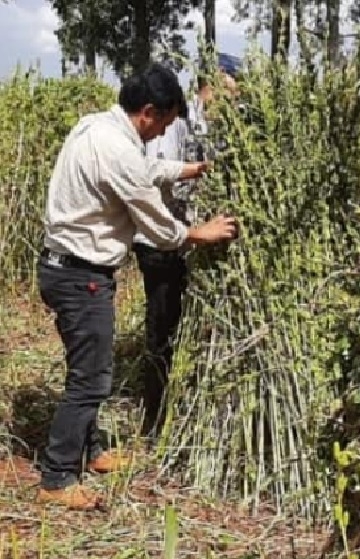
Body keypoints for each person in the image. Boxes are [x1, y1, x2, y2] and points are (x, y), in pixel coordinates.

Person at [36, 62, 239, 510]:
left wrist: (189, 169)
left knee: (86, 366)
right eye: (163, 123)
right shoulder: (118, 151)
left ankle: (92, 453)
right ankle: (57, 475)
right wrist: (196, 233)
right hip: (80, 275)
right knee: (91, 378)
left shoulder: (96, 127)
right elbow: (152, 213)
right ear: (148, 111)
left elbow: (145, 169)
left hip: (64, 267)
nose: (160, 132)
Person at [135, 54, 241, 438]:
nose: (232, 102)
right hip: (161, 243)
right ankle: (155, 420)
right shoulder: (174, 124)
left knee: (182, 328)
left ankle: (180, 409)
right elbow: (151, 181)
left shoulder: (214, 128)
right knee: (162, 330)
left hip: (188, 241)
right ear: (208, 86)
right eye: (229, 93)